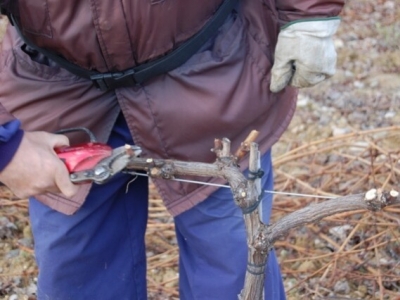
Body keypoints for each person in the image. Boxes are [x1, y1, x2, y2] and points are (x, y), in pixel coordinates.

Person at [0, 0, 345, 299]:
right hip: (57, 90)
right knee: (75, 270)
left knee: (233, 264)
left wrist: (309, 15)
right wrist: (7, 145)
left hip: (214, 74)